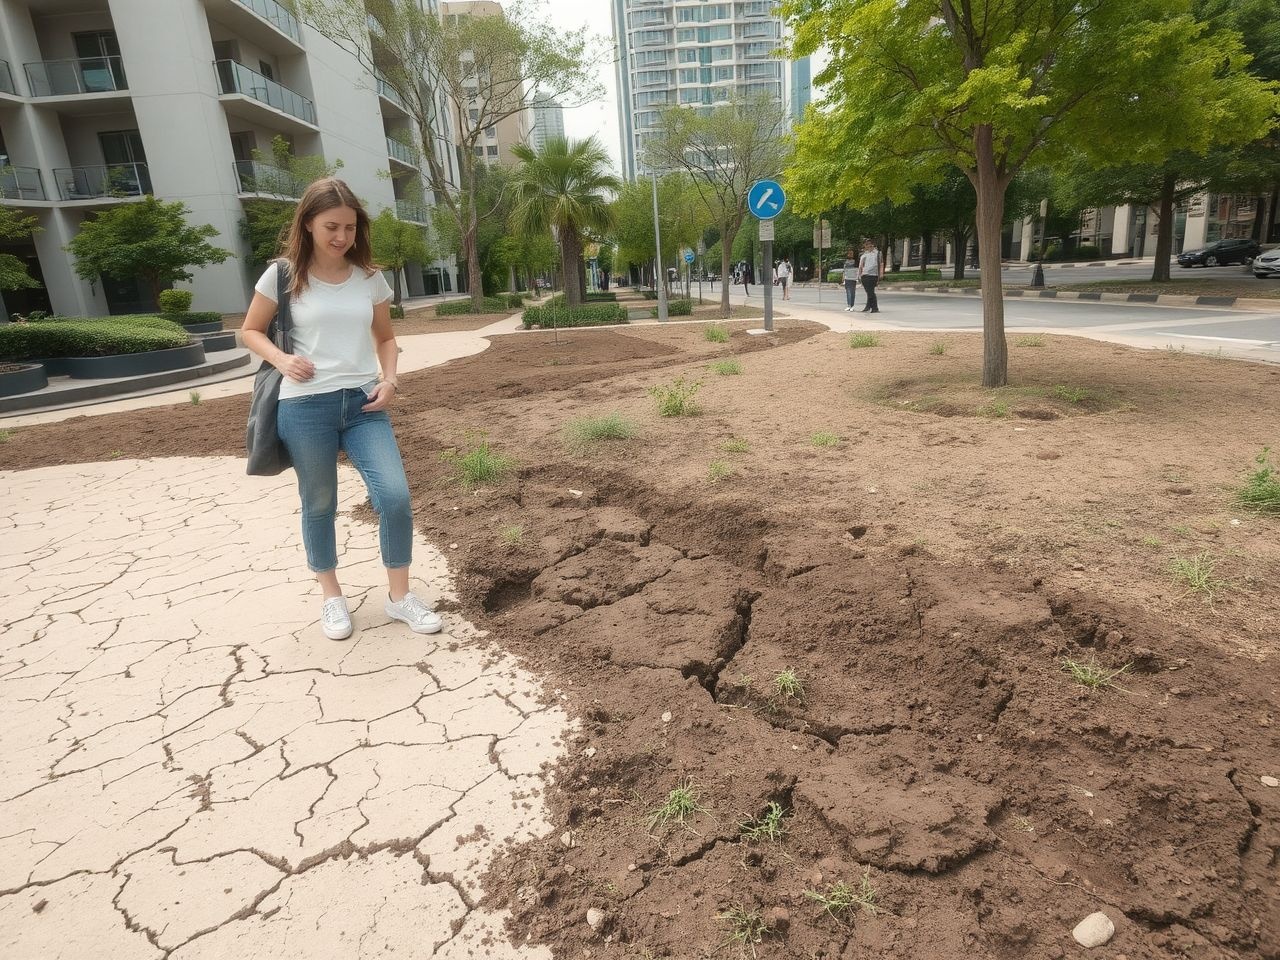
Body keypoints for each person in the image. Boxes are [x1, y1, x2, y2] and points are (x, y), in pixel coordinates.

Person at [241, 177, 443, 642]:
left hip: (363, 402)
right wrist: (282, 358)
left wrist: (389, 380)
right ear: (308, 223)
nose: (341, 237)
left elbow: (386, 338)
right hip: (304, 405)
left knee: (394, 496)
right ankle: (332, 597)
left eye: (350, 227)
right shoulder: (283, 275)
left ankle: (398, 597)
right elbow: (250, 330)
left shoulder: (369, 278)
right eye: (331, 226)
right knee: (319, 502)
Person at [859, 239, 884, 313]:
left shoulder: (878, 253)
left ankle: (875, 308)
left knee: (870, 292)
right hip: (864, 274)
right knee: (869, 292)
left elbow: (881, 264)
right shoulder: (864, 254)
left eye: (868, 244)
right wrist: (859, 275)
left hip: (873, 275)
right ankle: (868, 306)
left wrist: (881, 274)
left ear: (872, 245)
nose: (867, 246)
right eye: (866, 245)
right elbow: (861, 265)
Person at [842, 247, 860, 311]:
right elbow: (844, 270)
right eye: (849, 253)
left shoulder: (856, 261)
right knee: (848, 292)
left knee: (852, 292)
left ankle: (852, 305)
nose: (850, 255)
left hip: (853, 278)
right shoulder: (846, 261)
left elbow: (857, 270)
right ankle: (848, 305)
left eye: (851, 253)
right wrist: (843, 278)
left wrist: (857, 278)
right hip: (847, 278)